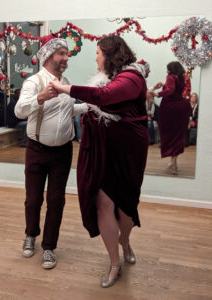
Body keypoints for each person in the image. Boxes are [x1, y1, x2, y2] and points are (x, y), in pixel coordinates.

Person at [49, 35, 149, 288]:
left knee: (126, 208)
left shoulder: (132, 77)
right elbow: (95, 103)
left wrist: (65, 88)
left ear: (110, 54)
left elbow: (104, 97)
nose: (95, 57)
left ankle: (124, 241)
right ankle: (114, 262)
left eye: (97, 53)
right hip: (102, 151)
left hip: (127, 153)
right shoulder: (111, 77)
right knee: (103, 202)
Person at [15, 34, 88, 270]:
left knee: (57, 201)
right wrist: (40, 97)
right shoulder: (34, 82)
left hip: (63, 153)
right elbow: (19, 111)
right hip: (36, 150)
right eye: (62, 54)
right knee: (33, 199)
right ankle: (30, 235)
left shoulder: (66, 81)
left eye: (67, 54)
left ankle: (49, 247)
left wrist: (90, 105)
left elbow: (67, 110)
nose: (66, 58)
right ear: (49, 56)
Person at [151, 61, 191, 175]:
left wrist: (157, 94)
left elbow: (170, 90)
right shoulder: (182, 78)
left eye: (167, 68)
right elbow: (174, 89)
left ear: (171, 69)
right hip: (181, 107)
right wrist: (163, 85)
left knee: (168, 134)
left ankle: (173, 163)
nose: (166, 71)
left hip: (170, 109)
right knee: (177, 136)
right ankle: (174, 162)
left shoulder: (171, 77)